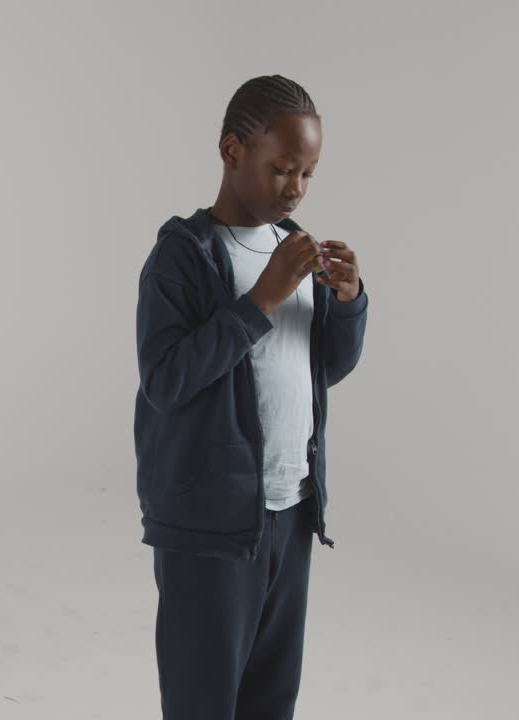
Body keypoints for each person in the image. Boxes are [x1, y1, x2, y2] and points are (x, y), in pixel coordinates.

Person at [132, 75, 369, 719]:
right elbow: (166, 380)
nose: (295, 188)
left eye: (309, 174)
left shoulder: (289, 248)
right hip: (210, 523)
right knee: (204, 698)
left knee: (270, 696)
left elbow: (325, 369)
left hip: (289, 509)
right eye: (282, 168)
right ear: (233, 151)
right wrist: (262, 298)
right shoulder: (184, 255)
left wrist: (346, 303)